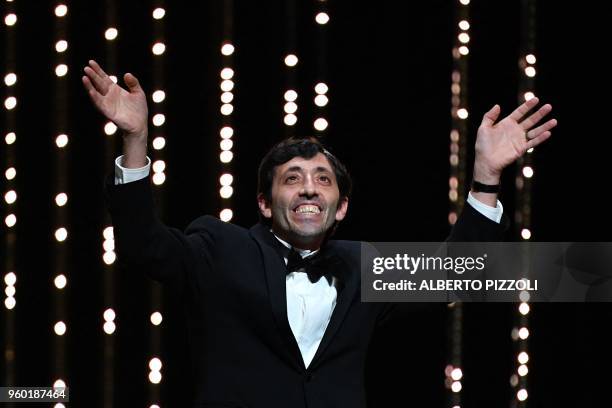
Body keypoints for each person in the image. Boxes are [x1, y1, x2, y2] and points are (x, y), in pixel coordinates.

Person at [82, 60, 557, 407]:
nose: (309, 187)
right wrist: (135, 140)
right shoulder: (220, 248)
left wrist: (486, 176)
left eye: (322, 179)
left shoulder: (361, 264)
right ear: (265, 204)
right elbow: (145, 244)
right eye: (292, 178)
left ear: (341, 208)